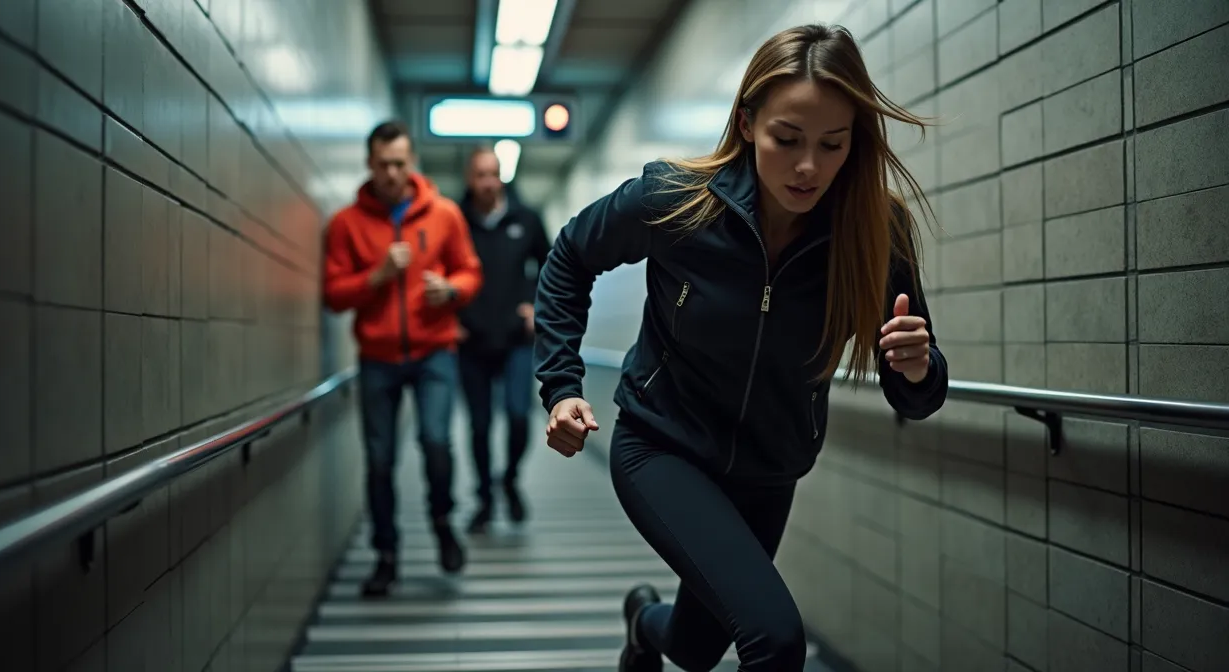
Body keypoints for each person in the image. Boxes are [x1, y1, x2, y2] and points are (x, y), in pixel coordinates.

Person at [531, 24, 949, 672]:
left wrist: (918, 369)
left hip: (770, 469)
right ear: (749, 121)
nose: (808, 165)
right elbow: (569, 257)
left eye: (831, 145)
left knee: (696, 651)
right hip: (661, 446)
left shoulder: (875, 229)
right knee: (774, 639)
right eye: (787, 139)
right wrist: (562, 387)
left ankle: (644, 622)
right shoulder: (676, 201)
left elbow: (915, 392)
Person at [322, 120, 484, 597]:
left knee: (436, 441)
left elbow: (470, 272)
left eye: (400, 163)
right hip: (377, 357)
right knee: (379, 460)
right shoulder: (346, 224)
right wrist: (376, 277)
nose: (392, 173)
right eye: (383, 164)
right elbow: (333, 295)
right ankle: (386, 554)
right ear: (369, 164)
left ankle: (441, 520)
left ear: (410, 162)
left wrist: (450, 290)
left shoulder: (445, 215)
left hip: (435, 351)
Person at [454, 146, 552, 534]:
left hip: (515, 339)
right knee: (478, 427)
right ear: (468, 178)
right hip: (471, 340)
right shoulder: (455, 220)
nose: (488, 183)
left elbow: (552, 264)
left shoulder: (526, 219)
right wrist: (452, 317)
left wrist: (535, 304)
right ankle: (484, 497)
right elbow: (439, 271)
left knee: (516, 416)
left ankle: (509, 479)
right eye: (480, 175)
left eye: (494, 174)